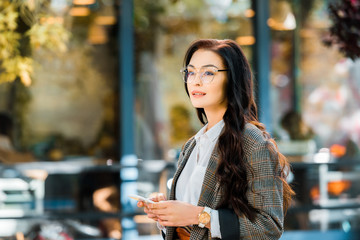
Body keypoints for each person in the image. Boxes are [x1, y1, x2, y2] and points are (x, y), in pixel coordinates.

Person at [137, 39, 295, 240]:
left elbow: (269, 227)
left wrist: (199, 215)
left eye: (208, 73)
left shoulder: (253, 142)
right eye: (191, 72)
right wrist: (166, 214)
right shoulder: (191, 145)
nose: (196, 81)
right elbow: (188, 228)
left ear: (232, 79)